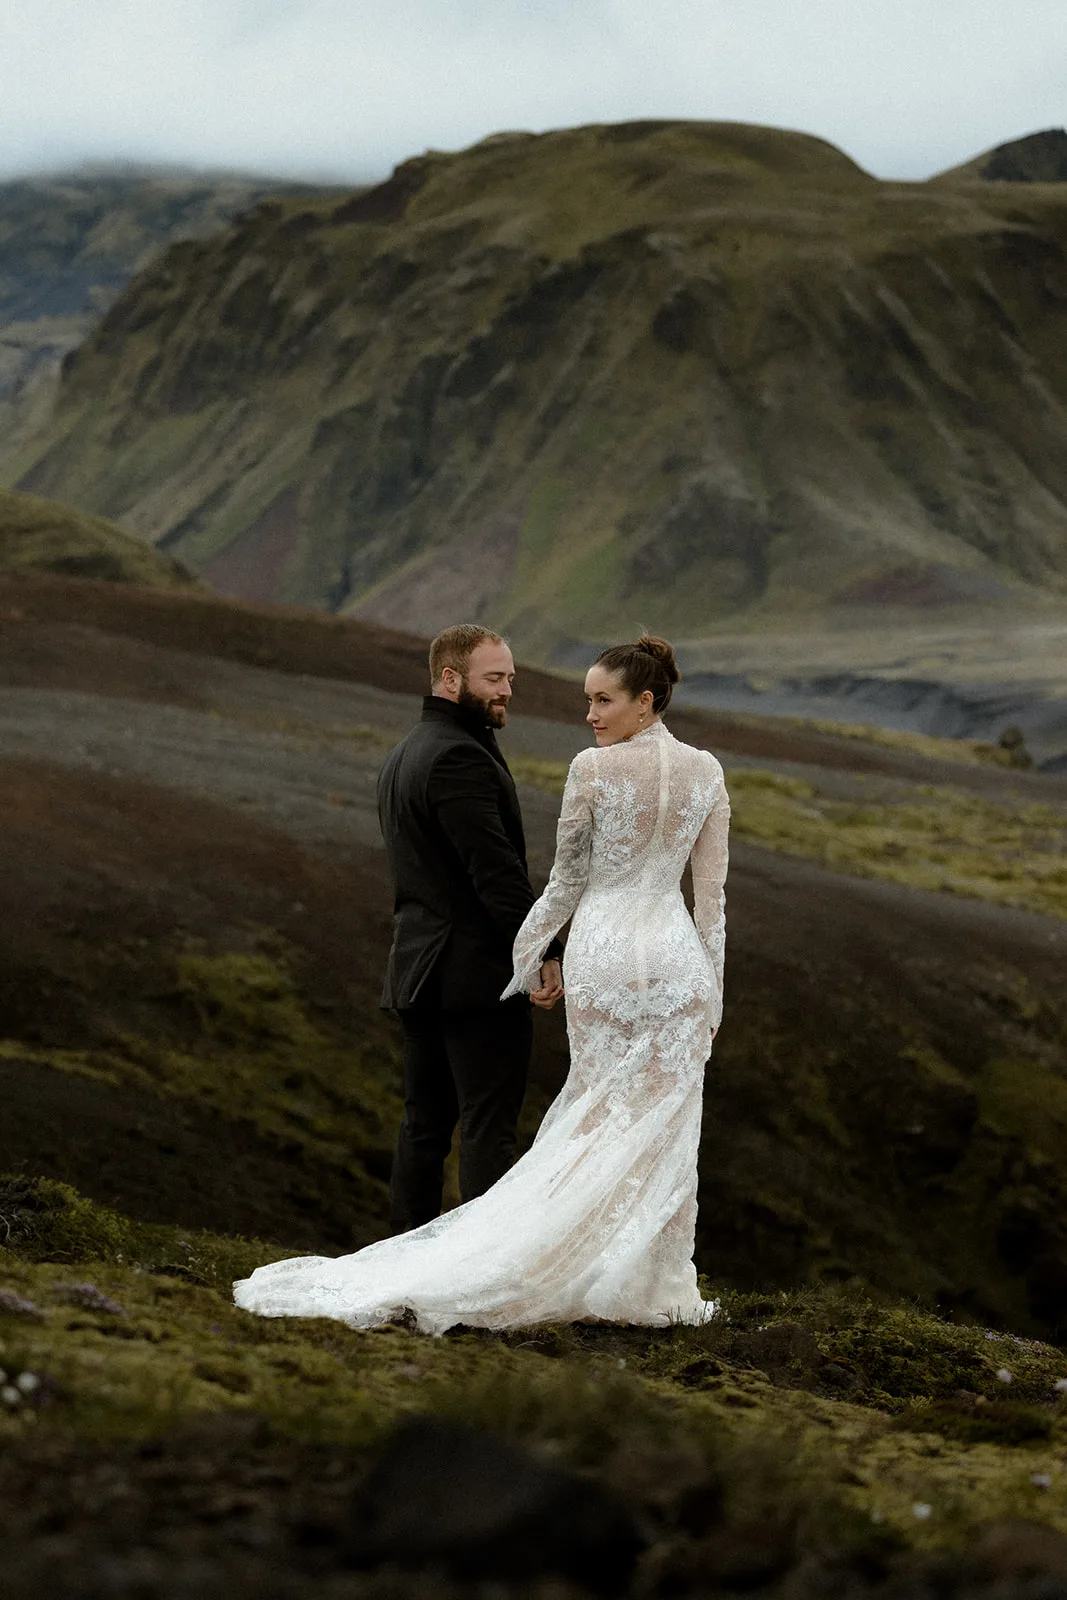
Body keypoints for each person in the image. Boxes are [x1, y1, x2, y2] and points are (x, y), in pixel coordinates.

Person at [234, 634, 730, 1333]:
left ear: (643, 701)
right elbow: (706, 897)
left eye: (598, 698)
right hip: (667, 960)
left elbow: (564, 882)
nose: (583, 711)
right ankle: (647, 1281)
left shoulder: (563, 767)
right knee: (656, 1124)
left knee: (565, 1117)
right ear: (452, 678)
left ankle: (493, 1255)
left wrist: (539, 953)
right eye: (497, 678)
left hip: (575, 954)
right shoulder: (704, 770)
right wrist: (711, 984)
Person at [376, 622, 563, 1232]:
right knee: (487, 1127)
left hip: (417, 972)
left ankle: (403, 1264)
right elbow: (497, 875)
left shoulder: (406, 751)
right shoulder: (458, 755)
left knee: (423, 1127)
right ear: (451, 679)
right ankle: (479, 1278)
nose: (507, 689)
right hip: (473, 977)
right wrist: (544, 951)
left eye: (510, 677)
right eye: (494, 678)